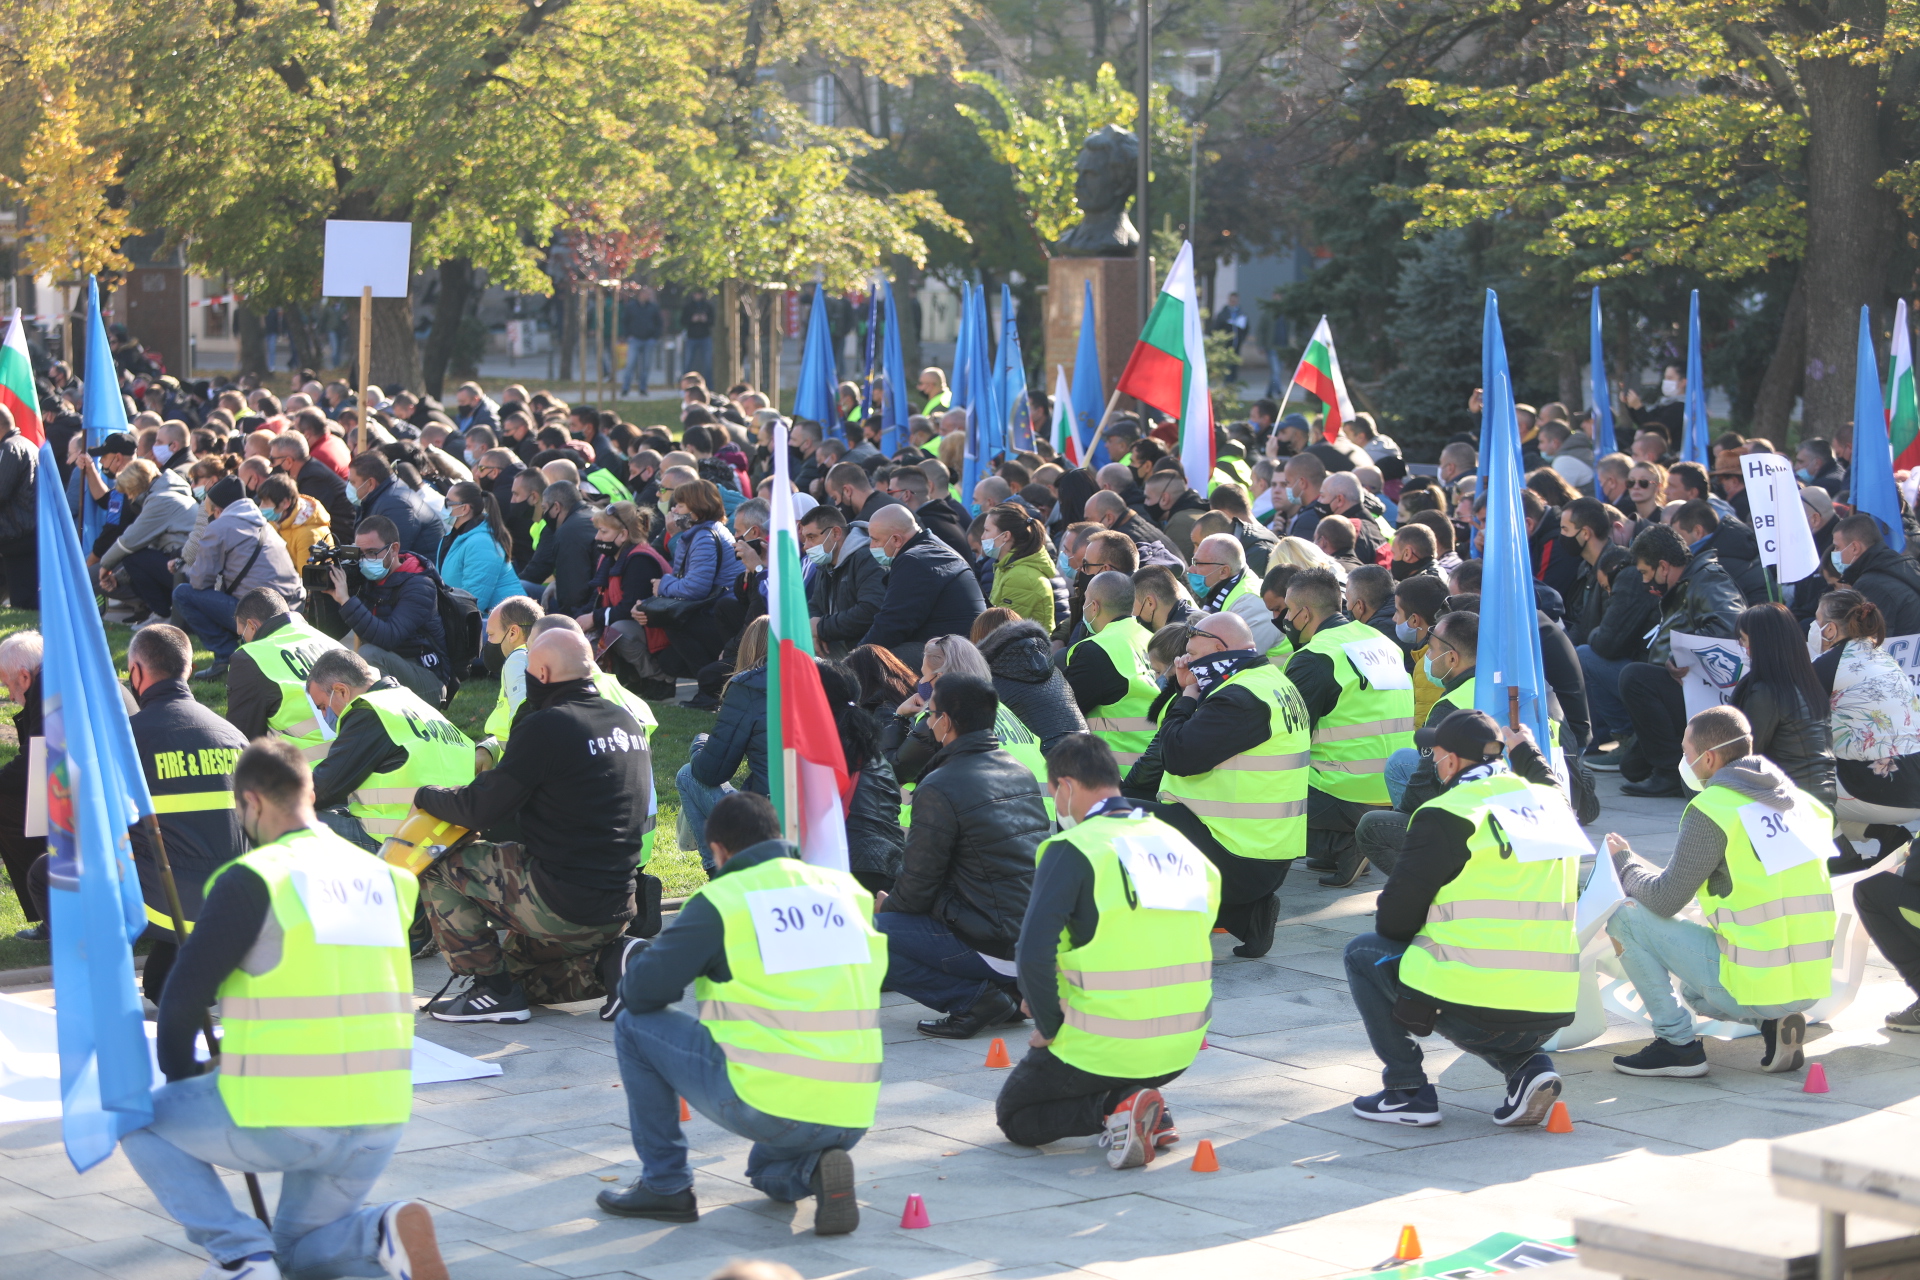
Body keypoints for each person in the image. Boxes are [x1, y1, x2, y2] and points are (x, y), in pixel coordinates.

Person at [119, 739, 451, 1280]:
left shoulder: (256, 877)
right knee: (300, 1255)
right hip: (379, 1111)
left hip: (284, 1109)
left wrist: (185, 1082)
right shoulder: (389, 879)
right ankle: (378, 1232)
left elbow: (180, 1001)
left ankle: (239, 1254)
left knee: (135, 1121)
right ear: (311, 791)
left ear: (249, 802)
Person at [597, 792, 877, 1234]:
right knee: (764, 1167)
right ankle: (815, 1170)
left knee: (633, 1026)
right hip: (854, 1108)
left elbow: (642, 993)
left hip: (772, 1101)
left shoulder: (726, 898)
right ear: (778, 837)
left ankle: (665, 1184)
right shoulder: (846, 891)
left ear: (718, 850)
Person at [1343, 710, 1576, 1129]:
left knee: (1363, 953)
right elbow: (1551, 783)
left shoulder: (1446, 813)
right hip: (1553, 1005)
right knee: (1485, 992)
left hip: (1483, 1003)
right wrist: (1527, 750)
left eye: (1435, 756)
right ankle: (1527, 1067)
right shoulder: (1551, 804)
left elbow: (1393, 924)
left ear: (1450, 761)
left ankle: (1406, 1090)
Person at [998, 735, 1219, 1167]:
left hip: (1105, 1042)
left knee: (1017, 1115)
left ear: (1065, 787)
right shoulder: (1179, 846)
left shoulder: (1073, 849)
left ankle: (1117, 1108)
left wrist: (1051, 1024)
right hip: (1181, 1044)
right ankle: (1144, 1103)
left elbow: (1032, 954)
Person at [417, 629, 654, 1020]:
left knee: (440, 865)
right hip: (614, 906)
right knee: (516, 977)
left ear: (541, 673)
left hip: (560, 902)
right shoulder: (624, 722)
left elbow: (480, 809)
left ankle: (490, 992)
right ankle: (616, 963)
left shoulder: (549, 725)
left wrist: (427, 794)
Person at [1604, 704, 1835, 1078]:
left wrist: (1625, 863)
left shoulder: (1714, 807)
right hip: (1809, 983)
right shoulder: (1803, 804)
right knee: (1697, 990)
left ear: (1708, 758)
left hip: (1756, 981)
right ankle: (1772, 1023)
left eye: (1686, 752)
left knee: (1626, 917)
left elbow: (1665, 899)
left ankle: (1676, 1045)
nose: (1684, 760)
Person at [876, 674, 1050, 1038]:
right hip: (1032, 942)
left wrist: (886, 909)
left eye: (931, 714)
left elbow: (917, 888)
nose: (927, 720)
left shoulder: (940, 785)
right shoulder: (1020, 771)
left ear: (947, 723)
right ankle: (1005, 993)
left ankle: (972, 999)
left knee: (868, 935)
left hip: (990, 940)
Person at [1152, 610, 1311, 958]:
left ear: (1218, 649)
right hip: (1263, 849)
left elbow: (1176, 754)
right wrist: (1185, 689)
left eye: (1191, 656)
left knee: (1111, 821)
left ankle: (1162, 932)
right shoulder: (1271, 683)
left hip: (1237, 852)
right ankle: (1248, 914)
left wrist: (1188, 696)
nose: (1185, 662)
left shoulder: (1239, 699)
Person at [1283, 567, 1417, 872]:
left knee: (1252, 781)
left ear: (1303, 613)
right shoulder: (1383, 642)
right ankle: (1343, 842)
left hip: (1344, 790)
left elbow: (1286, 735)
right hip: (1394, 789)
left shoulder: (1315, 656)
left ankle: (1343, 844)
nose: (1286, 619)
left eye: (1289, 611)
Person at [1349, 610, 1481, 888]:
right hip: (1516, 810)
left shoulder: (1451, 706)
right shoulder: (1508, 689)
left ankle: (1433, 892)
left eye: (1431, 650)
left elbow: (1425, 784)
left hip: (1474, 829)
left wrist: (1402, 817)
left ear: (1452, 658)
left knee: (1374, 826)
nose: (1427, 657)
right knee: (1402, 761)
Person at [304, 647, 475, 854]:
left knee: (283, 816)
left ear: (341, 691)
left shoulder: (370, 712)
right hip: (451, 837)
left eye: (322, 706)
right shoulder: (413, 704)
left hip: (400, 843)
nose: (324, 715)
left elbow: (323, 788)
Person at [1615, 525, 1745, 797]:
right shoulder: (1689, 583)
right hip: (1687, 691)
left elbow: (1731, 627)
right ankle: (1671, 767)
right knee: (1631, 767)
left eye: (1644, 573)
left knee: (1634, 677)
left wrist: (1681, 653)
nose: (1643, 581)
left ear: (1663, 566)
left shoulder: (1708, 581)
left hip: (1705, 696)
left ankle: (1670, 774)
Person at [174, 477, 304, 681]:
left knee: (182, 593)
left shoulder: (220, 526)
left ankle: (225, 656)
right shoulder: (264, 523)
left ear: (217, 509)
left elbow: (199, 582)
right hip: (293, 608)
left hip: (260, 613)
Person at [322, 514, 452, 706]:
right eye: (360, 553)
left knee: (369, 654)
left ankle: (368, 719)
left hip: (428, 680)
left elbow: (388, 637)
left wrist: (346, 600)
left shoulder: (420, 585)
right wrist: (327, 594)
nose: (365, 560)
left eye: (373, 552)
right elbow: (331, 632)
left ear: (394, 549)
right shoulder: (366, 580)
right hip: (392, 671)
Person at [677, 618, 770, 867]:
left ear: (748, 648)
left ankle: (717, 871)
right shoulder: (820, 680)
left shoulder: (748, 687)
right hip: (822, 810)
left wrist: (699, 745)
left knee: (688, 775)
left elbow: (710, 772)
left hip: (770, 818)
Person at [1729, 602, 1835, 803]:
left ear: (1761, 644)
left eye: (1743, 640)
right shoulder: (1807, 684)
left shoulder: (1767, 692)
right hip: (1821, 797)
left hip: (1790, 800)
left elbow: (1746, 754)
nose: (1742, 648)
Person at [226, 587, 348, 759]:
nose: (243, 642)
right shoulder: (328, 641)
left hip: (307, 772)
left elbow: (240, 738)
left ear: (252, 626)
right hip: (361, 755)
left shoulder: (249, 658)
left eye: (242, 635)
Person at [860, 504, 986, 668]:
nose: (871, 546)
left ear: (896, 540)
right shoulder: (934, 547)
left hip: (954, 655)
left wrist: (855, 659)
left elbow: (892, 624)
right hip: (962, 648)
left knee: (878, 664)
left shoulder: (914, 560)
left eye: (875, 540)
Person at [1065, 571, 1160, 768]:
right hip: (1156, 764)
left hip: (1119, 773)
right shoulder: (1151, 639)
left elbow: (1063, 712)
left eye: (1085, 600)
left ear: (1094, 606)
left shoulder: (1095, 650)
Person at [97, 452, 198, 620]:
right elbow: (151, 546)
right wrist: (119, 577)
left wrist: (105, 566)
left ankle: (162, 615)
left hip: (187, 570)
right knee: (135, 559)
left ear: (135, 487)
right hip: (188, 565)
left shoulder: (161, 500)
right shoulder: (172, 493)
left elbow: (128, 542)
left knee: (131, 558)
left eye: (129, 493)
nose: (129, 498)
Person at [801, 503, 887, 659]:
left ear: (835, 533)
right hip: (835, 644)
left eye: (811, 537)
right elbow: (814, 605)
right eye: (805, 539)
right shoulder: (826, 562)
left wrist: (820, 628)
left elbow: (870, 610)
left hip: (865, 651)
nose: (806, 546)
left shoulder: (867, 557)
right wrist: (813, 632)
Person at [437, 480, 525, 614]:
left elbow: (473, 602)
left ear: (464, 508)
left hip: (509, 622)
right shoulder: (452, 536)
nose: (443, 507)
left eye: (447, 503)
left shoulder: (481, 543)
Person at [477, 596, 545, 765]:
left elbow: (527, 727)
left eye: (491, 635)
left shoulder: (518, 658)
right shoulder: (550, 656)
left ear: (513, 633)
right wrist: (490, 747)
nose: (489, 642)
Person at [1186, 532, 1281, 653]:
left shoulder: (1252, 603)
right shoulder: (1225, 589)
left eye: (1197, 563)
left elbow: (1240, 658)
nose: (1190, 569)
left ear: (1224, 571)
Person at [1829, 512, 1920, 635]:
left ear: (1855, 548)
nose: (1834, 552)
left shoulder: (1870, 585)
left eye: (1837, 547)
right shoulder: (1903, 566)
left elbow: (1870, 643)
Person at [521, 477, 601, 616]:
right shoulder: (594, 512)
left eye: (545, 508)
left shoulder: (568, 532)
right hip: (600, 601)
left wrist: (570, 624)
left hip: (588, 611)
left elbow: (572, 591)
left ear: (557, 507)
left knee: (522, 588)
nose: (544, 514)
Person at [348, 451, 445, 560]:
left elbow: (394, 557)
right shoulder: (382, 497)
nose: (349, 487)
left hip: (417, 573)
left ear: (370, 483)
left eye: (353, 482)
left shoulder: (397, 505)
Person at [272, 415, 356, 533]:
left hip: (341, 535)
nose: (271, 465)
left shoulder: (314, 479)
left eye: (273, 460)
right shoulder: (308, 470)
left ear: (288, 461)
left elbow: (305, 518)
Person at [983, 503, 1056, 631]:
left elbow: (1003, 631)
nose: (982, 537)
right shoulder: (1006, 567)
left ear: (1005, 535)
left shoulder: (1021, 576)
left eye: (987, 530)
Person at [252, 473, 333, 576]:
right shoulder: (275, 521)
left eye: (266, 503)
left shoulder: (308, 534)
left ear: (285, 503)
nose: (261, 507)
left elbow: (307, 577)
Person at [0, 403, 36, 609]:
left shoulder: (9, 448)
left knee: (23, 602)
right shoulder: (26, 444)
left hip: (16, 534)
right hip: (23, 531)